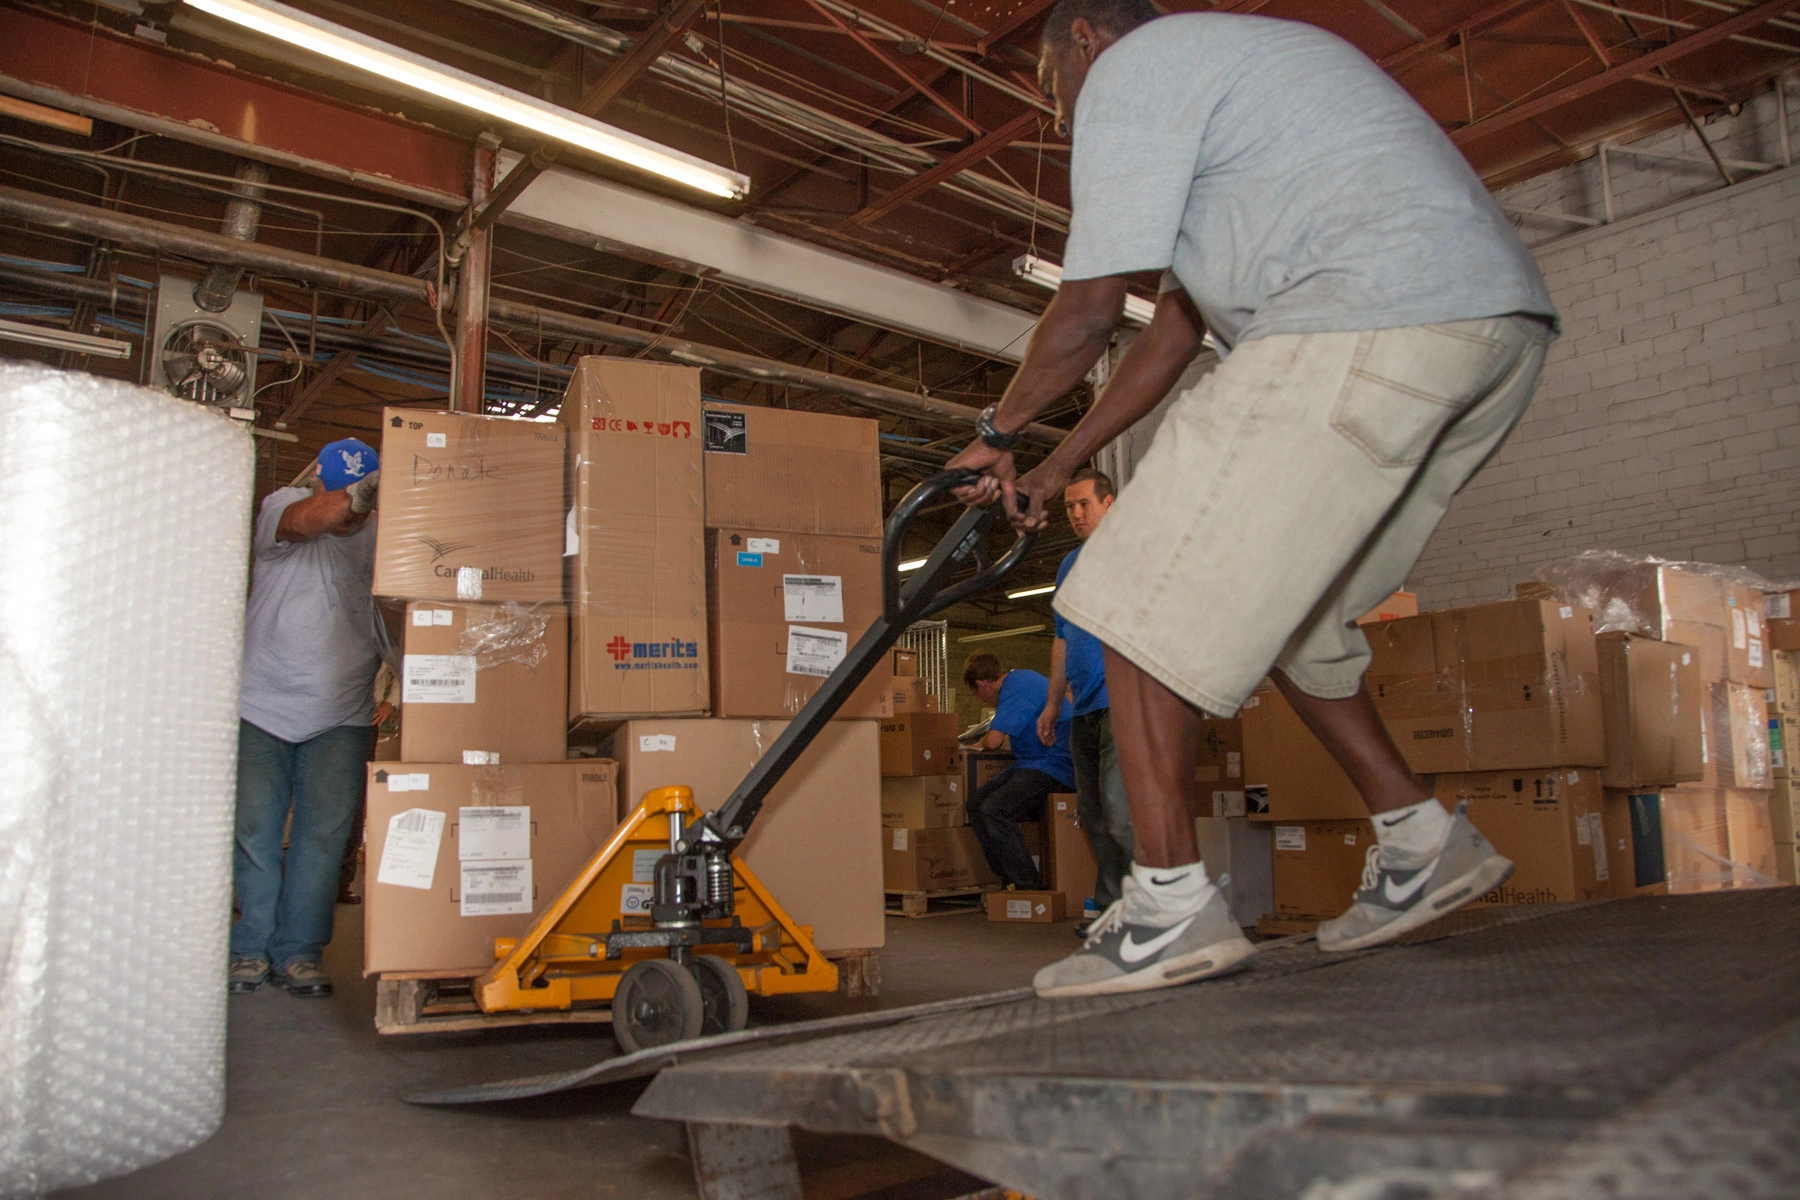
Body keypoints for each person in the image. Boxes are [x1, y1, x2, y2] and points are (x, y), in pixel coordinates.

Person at [949, 0, 1556, 998]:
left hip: (1356, 314)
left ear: (1087, 39)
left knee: (1132, 582)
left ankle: (1168, 902)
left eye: (1052, 84)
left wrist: (998, 434)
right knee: (1297, 617)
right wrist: (1059, 466)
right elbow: (1168, 335)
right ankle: (1420, 841)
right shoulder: (1232, 96)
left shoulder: (1137, 68)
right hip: (1483, 334)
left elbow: (1090, 310)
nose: (1058, 112)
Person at [230, 439, 388, 999]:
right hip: (260, 705)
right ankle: (249, 948)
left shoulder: (382, 538)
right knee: (255, 834)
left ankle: (297, 952)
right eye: (340, 490)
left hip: (341, 716)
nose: (349, 508)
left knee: (323, 842)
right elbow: (302, 522)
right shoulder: (285, 504)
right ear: (319, 482)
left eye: (362, 491)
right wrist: (357, 496)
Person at [1038, 468, 1130, 932]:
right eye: (1069, 507)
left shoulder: (1133, 553)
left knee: (1119, 812)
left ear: (1109, 503)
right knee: (1093, 815)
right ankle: (1113, 908)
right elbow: (1061, 638)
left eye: (1084, 505)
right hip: (1085, 708)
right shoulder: (1069, 565)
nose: (1075, 514)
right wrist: (1053, 704)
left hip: (1125, 703)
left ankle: (1146, 908)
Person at [962, 652, 1076, 891]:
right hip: (1032, 761)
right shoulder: (1022, 680)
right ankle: (1007, 879)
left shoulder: (1015, 689)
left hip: (1054, 764)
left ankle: (1029, 887)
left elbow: (993, 741)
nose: (982, 700)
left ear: (982, 683)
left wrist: (971, 745)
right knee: (975, 803)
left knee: (995, 809)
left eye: (977, 693)